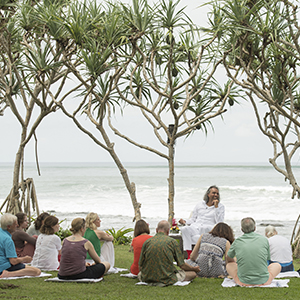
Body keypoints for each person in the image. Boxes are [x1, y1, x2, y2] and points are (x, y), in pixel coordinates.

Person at [138, 220, 200, 286]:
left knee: (139, 274)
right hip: (167, 277)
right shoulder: (172, 242)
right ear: (168, 231)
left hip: (147, 278)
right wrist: (194, 269)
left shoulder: (147, 242)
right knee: (192, 274)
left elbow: (140, 265)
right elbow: (182, 265)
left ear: (156, 230)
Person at [226, 217, 281, 286]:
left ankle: (239, 281)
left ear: (242, 229)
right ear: (255, 228)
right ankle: (265, 281)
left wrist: (235, 263)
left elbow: (228, 258)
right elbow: (267, 259)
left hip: (243, 280)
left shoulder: (237, 241)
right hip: (263, 280)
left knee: (229, 265)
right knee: (277, 265)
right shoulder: (264, 240)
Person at [179, 185, 225, 255]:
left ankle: (203, 254)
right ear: (208, 194)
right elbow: (193, 219)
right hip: (196, 227)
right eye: (214, 193)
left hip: (209, 228)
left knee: (204, 228)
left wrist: (216, 207)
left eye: (217, 193)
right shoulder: (199, 204)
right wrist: (185, 221)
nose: (216, 195)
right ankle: (189, 254)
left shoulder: (221, 207)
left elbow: (220, 222)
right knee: (184, 229)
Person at [0, 213, 41, 278]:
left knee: (29, 267)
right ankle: (8, 274)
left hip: (4, 263)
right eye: (15, 224)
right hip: (4, 266)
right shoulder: (8, 240)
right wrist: (25, 258)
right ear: (8, 227)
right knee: (37, 271)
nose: (17, 225)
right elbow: (13, 261)